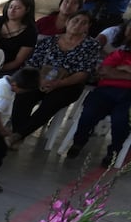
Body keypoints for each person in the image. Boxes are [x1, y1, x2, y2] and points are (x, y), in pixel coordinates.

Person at [9, 12, 102, 141]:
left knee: (50, 103)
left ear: (88, 27)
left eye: (84, 23)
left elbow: (83, 73)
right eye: (75, 20)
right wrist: (41, 80)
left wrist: (58, 83)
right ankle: (16, 133)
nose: (78, 25)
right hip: (41, 79)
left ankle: (18, 135)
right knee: (23, 95)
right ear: (67, 22)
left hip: (69, 84)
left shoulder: (91, 45)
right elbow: (33, 63)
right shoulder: (49, 41)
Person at [66, 28, 131, 164]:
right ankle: (78, 142)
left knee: (121, 120)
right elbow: (103, 71)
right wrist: (125, 72)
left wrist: (117, 70)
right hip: (106, 90)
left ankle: (113, 152)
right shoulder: (122, 53)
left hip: (128, 97)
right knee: (89, 112)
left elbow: (110, 71)